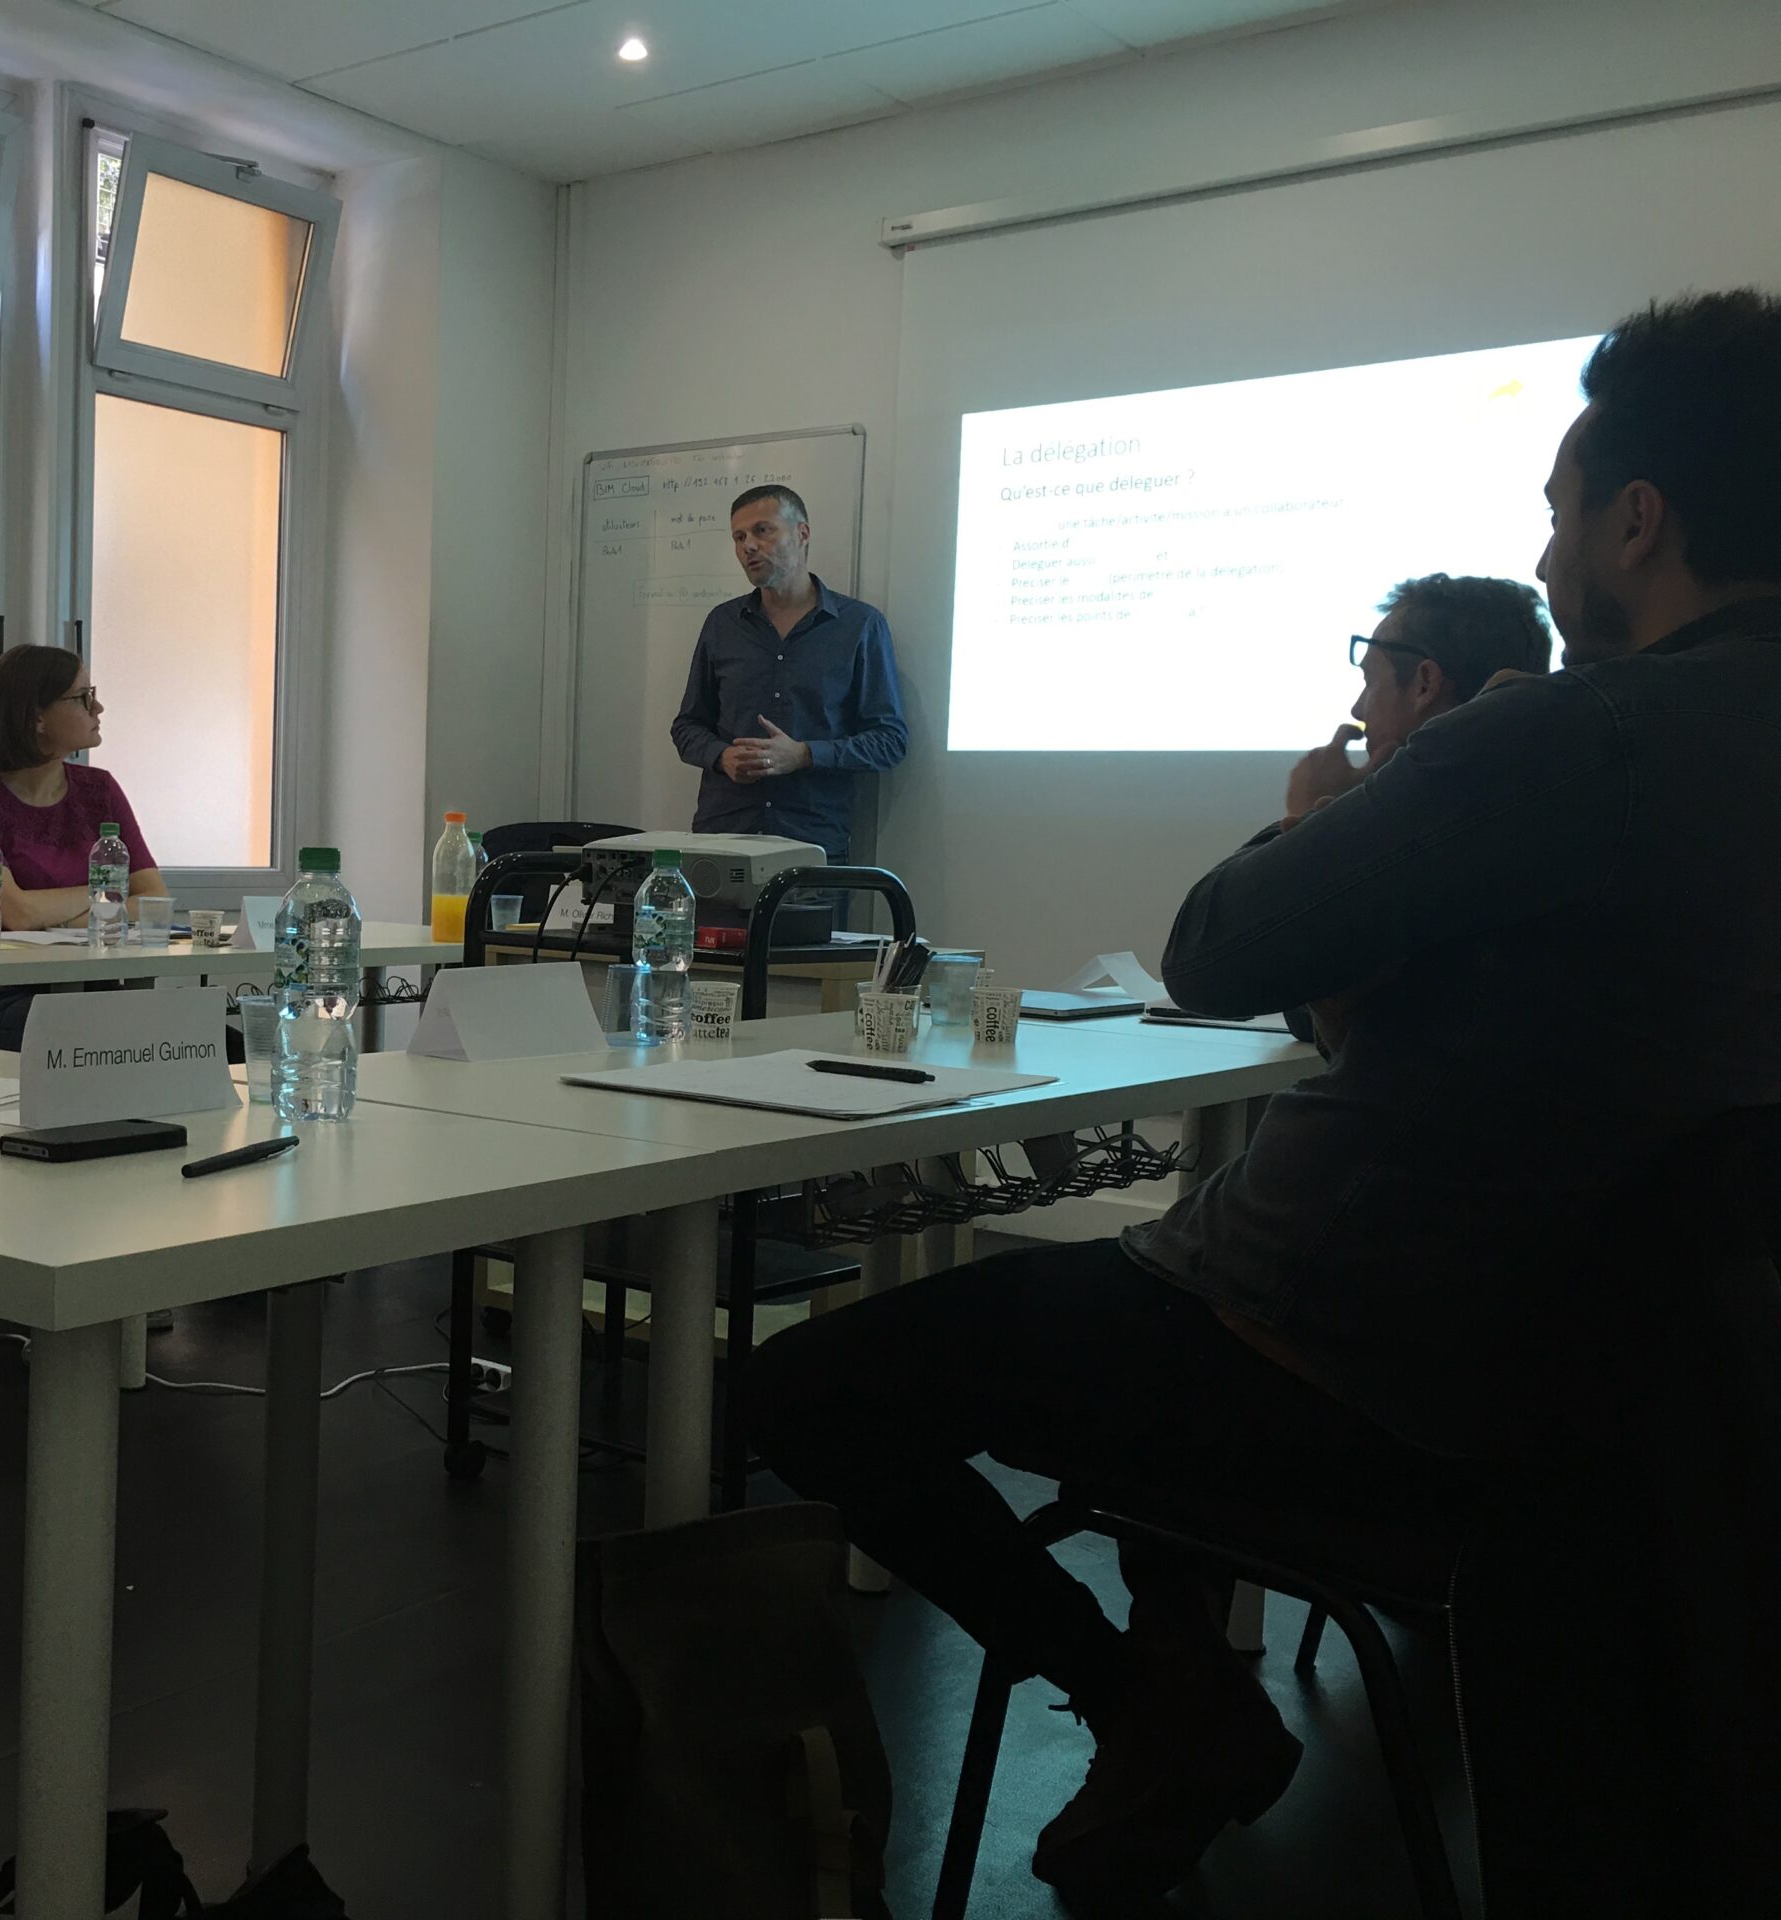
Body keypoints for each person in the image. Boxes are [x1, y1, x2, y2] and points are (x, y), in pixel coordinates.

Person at [742, 289, 1781, 1911]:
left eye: (1562, 511)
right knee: (1152, 1291)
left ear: (1638, 522)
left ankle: (1156, 1706)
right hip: (1635, 1432)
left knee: (810, 1391)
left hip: (1345, 1359)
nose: (1551, 547)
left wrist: (1312, 820)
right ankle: (1177, 1698)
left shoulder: (1568, 739)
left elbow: (1219, 953)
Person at [0, 643, 169, 1049]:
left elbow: (153, 901)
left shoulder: (100, 789)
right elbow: (16, 913)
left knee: (214, 1039)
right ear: (37, 716)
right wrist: (107, 895)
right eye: (83, 698)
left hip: (89, 985)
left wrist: (62, 920)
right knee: (125, 1042)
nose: (99, 709)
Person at [669, 485, 906, 862]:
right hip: (723, 838)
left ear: (802, 533)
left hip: (812, 843)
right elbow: (687, 726)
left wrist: (805, 755)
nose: (748, 546)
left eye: (762, 530)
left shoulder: (859, 626)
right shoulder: (722, 624)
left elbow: (889, 740)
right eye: (739, 537)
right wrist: (721, 756)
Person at [1285, 570, 1553, 823]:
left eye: (1370, 682)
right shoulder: (1542, 801)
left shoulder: (1410, 831)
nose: (1356, 710)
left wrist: (1314, 815)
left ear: (1425, 685)